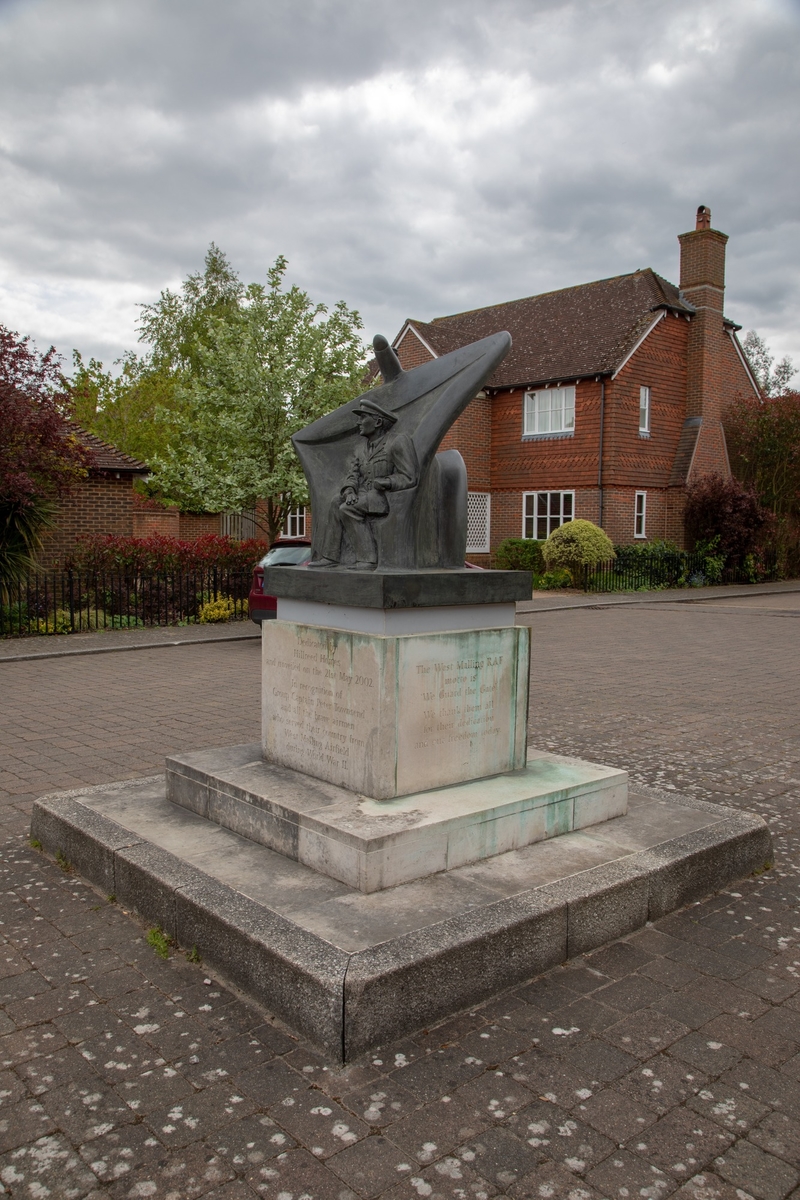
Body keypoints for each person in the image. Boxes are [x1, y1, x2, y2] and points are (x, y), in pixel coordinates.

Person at [309, 399, 419, 570]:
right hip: (362, 496)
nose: (358, 422)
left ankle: (368, 559)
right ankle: (330, 557)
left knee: (347, 509)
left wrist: (387, 482)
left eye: (363, 417)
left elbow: (410, 476)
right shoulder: (359, 449)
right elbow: (351, 475)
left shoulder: (397, 442)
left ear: (377, 421)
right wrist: (349, 492)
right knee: (335, 502)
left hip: (382, 498)